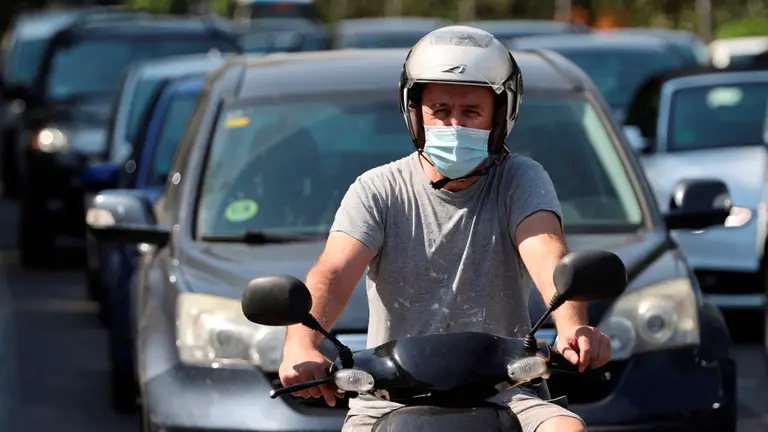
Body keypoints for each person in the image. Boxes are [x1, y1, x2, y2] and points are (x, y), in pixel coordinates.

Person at [278, 25, 612, 432]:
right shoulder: (378, 188)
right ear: (416, 114)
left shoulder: (521, 179)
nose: (454, 125)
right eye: (440, 110)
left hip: (508, 389)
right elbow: (333, 271)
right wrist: (300, 344)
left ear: (500, 116)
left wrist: (572, 328)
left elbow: (548, 254)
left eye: (471, 111)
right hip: (387, 397)